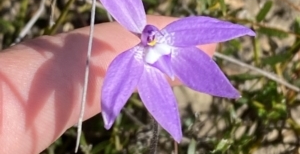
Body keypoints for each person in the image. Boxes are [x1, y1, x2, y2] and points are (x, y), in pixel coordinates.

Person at [0, 16, 215, 154]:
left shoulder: (159, 45)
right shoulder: (132, 58)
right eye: (150, 37)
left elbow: (212, 32)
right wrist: (109, 115)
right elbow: (116, 89)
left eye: (153, 37)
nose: (152, 38)